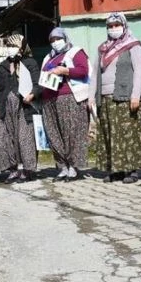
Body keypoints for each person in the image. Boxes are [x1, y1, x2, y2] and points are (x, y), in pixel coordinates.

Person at [89, 13, 141, 184]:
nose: (114, 29)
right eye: (110, 26)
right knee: (109, 133)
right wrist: (91, 96)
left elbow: (139, 70)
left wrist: (136, 95)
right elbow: (95, 73)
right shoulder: (102, 48)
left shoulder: (133, 45)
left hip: (126, 97)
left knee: (127, 133)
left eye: (117, 25)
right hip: (105, 97)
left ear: (124, 26)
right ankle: (115, 169)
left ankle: (131, 170)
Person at [39, 28, 90, 182]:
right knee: (54, 134)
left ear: (65, 38)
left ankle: (74, 167)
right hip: (49, 99)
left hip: (68, 97)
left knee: (71, 133)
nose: (55, 42)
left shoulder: (75, 52)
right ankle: (62, 166)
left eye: (58, 38)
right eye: (52, 40)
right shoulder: (48, 57)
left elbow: (83, 71)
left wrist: (65, 70)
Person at [0, 34, 40, 184]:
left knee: (24, 137)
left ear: (22, 47)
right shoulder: (3, 65)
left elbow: (37, 83)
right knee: (7, 138)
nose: (10, 49)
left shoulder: (30, 63)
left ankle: (28, 170)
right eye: (8, 46)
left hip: (24, 106)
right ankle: (12, 169)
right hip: (6, 107)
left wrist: (33, 94)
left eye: (14, 46)